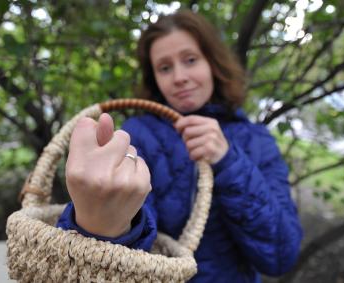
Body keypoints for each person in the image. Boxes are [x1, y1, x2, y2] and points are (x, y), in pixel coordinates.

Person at [57, 10, 303, 282]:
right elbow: (117, 252)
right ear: (155, 78)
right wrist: (103, 221)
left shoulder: (257, 141)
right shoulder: (138, 134)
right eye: (164, 67)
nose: (179, 77)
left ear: (212, 62)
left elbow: (281, 256)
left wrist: (229, 162)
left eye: (190, 60)